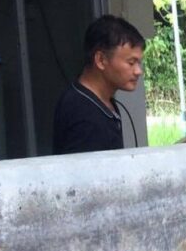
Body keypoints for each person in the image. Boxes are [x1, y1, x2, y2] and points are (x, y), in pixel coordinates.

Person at [53, 15, 145, 155]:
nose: (138, 71)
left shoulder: (103, 101)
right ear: (101, 60)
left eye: (139, 63)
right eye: (131, 63)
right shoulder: (83, 115)